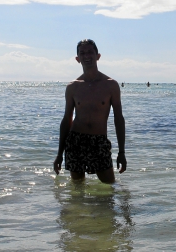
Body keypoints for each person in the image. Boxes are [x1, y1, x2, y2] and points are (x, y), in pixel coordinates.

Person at [54, 39, 126, 184]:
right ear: (77, 58)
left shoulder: (111, 85)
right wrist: (59, 154)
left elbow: (118, 119)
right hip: (75, 141)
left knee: (109, 187)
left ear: (98, 56)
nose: (87, 56)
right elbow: (66, 119)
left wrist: (122, 152)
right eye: (82, 53)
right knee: (77, 190)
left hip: (99, 141)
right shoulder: (73, 87)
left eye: (90, 52)